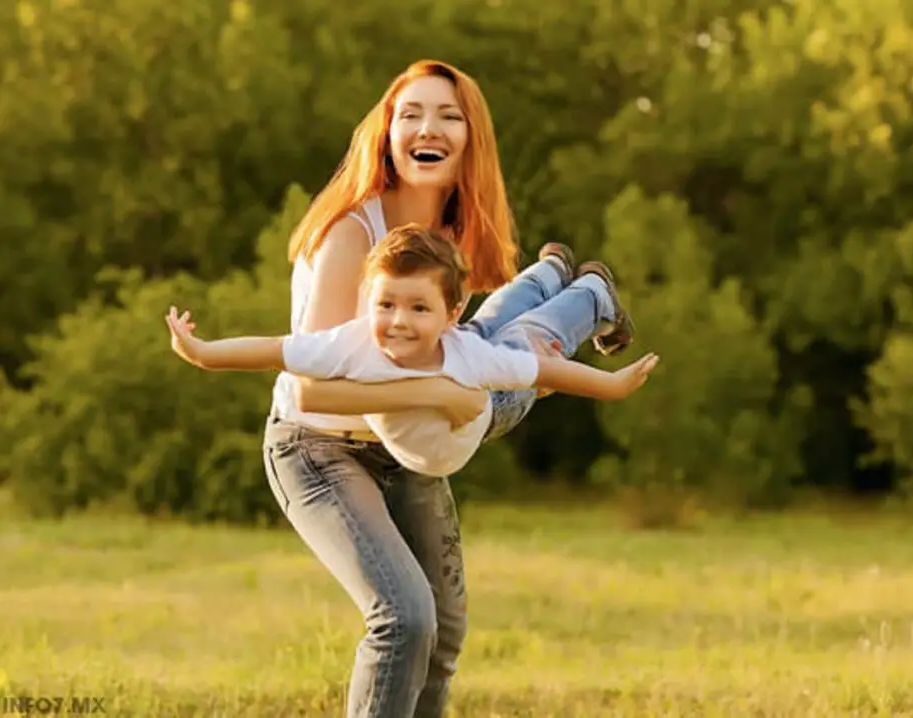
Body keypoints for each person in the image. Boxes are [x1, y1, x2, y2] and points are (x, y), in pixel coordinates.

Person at [255, 58, 637, 718]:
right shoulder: (354, 232)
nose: (426, 128)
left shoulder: (446, 232)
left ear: (470, 139)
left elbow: (462, 345)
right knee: (405, 620)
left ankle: (567, 286)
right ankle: (574, 290)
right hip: (319, 448)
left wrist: (465, 390)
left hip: (404, 442)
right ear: (385, 134)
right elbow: (313, 392)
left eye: (447, 115)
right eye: (410, 114)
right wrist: (444, 395)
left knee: (442, 636)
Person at [165, 224, 658, 477]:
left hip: (491, 409)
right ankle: (548, 272)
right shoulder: (353, 342)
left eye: (418, 308)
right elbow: (274, 349)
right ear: (369, 302)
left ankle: (591, 293)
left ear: (448, 315)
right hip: (465, 390)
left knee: (522, 336)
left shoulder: (469, 357)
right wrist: (205, 352)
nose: (398, 322)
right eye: (386, 305)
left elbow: (547, 371)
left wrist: (611, 387)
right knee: (492, 325)